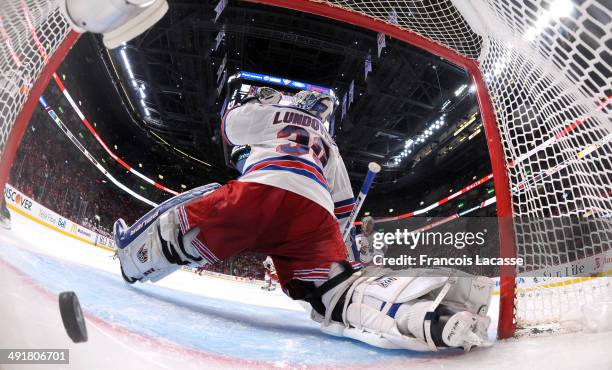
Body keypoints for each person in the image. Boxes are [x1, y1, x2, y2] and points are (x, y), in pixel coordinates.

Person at [114, 87, 493, 352]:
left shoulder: (270, 115)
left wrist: (268, 101)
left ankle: (137, 262)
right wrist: (339, 250)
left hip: (262, 190)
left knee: (182, 229)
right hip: (314, 212)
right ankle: (432, 317)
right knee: (336, 294)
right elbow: (343, 207)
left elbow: (231, 125)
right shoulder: (327, 143)